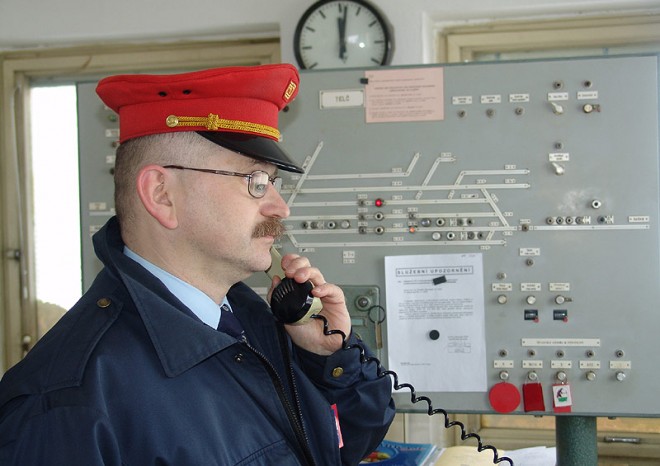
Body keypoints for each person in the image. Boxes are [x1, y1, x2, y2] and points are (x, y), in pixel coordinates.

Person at [0, 64, 395, 465]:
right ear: (161, 195)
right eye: (256, 182)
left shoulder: (254, 326)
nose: (281, 207)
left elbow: (341, 449)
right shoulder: (66, 405)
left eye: (276, 183)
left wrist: (328, 360)